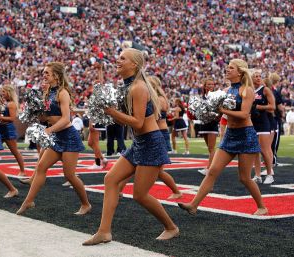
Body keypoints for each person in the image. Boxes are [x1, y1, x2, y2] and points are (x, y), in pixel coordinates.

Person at [83, 48, 179, 246]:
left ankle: (171, 227)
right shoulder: (127, 86)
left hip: (151, 142)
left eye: (122, 58)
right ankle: (104, 231)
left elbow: (137, 122)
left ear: (134, 64)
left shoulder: (138, 87)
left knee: (140, 195)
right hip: (139, 143)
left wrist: (110, 111)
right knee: (110, 179)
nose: (118, 60)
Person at [178, 59, 268, 216]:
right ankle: (193, 205)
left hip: (246, 135)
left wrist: (221, 110)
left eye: (230, 68)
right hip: (230, 135)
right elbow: (220, 113)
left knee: (244, 178)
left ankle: (262, 206)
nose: (227, 70)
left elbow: (244, 114)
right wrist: (207, 112)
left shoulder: (247, 90)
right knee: (212, 171)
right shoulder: (226, 91)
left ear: (239, 72)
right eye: (227, 67)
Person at [16, 62, 91, 216]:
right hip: (56, 137)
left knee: (69, 175)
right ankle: (28, 201)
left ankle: (86, 204)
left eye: (47, 73)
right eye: (43, 73)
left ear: (56, 75)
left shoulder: (62, 93)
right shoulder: (48, 92)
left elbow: (65, 119)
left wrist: (49, 130)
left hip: (69, 137)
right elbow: (46, 117)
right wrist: (36, 112)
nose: (44, 75)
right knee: (41, 167)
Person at [250, 70, 275, 184]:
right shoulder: (249, 90)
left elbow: (272, 106)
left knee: (264, 150)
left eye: (260, 76)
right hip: (252, 123)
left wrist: (259, 106)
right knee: (255, 150)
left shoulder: (265, 89)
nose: (258, 78)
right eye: (256, 76)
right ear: (251, 78)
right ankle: (258, 175)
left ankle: (270, 174)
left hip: (264, 122)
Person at [197, 78, 220, 176]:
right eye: (209, 84)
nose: (211, 86)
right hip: (204, 124)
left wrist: (216, 118)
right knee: (209, 148)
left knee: (211, 148)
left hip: (212, 124)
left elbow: (220, 111)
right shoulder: (202, 97)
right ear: (205, 86)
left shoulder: (216, 97)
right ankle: (212, 167)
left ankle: (209, 169)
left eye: (212, 84)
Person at [269, 73, 284, 167]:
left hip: (268, 118)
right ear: (276, 81)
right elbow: (280, 107)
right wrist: (282, 114)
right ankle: (273, 160)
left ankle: (269, 159)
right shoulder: (275, 92)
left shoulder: (267, 90)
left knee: (269, 140)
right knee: (275, 140)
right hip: (275, 118)